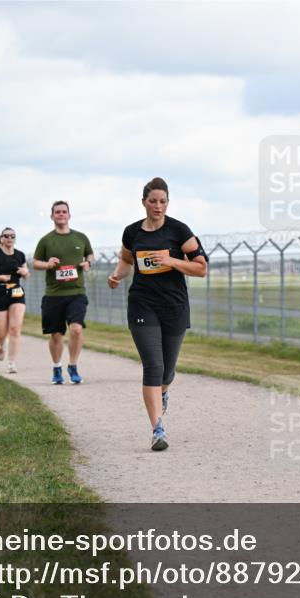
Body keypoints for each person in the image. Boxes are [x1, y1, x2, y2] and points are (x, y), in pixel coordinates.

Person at [108, 177, 207, 451]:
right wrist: (116, 276)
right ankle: (157, 429)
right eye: (153, 201)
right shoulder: (132, 232)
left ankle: (163, 391)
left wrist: (172, 261)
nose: (158, 206)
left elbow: (201, 268)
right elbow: (126, 260)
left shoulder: (179, 231)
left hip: (174, 306)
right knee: (153, 366)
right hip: (142, 304)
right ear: (144, 202)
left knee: (167, 371)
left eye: (163, 201)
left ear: (168, 203)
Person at [32, 201, 94, 385]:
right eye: (57, 212)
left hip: (76, 292)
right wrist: (47, 264)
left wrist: (88, 263)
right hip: (54, 294)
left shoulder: (80, 237)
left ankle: (73, 366)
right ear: (52, 216)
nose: (61, 214)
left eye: (64, 212)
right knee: (56, 335)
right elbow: (35, 263)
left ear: (69, 215)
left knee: (76, 329)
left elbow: (90, 255)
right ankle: (57, 367)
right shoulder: (46, 240)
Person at [0, 228, 28, 373]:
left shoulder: (20, 255)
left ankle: (11, 363)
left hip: (16, 292)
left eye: (12, 236)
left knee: (15, 328)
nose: (9, 238)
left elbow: (26, 274)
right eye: (6, 236)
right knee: (1, 334)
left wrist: (25, 272)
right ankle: (1, 345)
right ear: (1, 239)